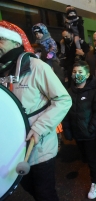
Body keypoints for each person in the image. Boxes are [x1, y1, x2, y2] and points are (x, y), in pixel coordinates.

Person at [0, 20, 71, 200]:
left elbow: (63, 99)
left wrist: (39, 128)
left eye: (0, 39)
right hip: (15, 149)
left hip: (39, 147)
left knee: (44, 194)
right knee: (27, 187)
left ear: (15, 42)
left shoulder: (36, 66)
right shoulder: (3, 70)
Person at [62, 61, 96, 199]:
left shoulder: (93, 93)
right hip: (77, 133)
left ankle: (95, 182)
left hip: (89, 134)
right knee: (84, 157)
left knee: (91, 159)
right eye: (74, 72)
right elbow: (65, 113)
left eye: (80, 72)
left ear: (87, 75)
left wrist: (92, 128)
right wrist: (67, 130)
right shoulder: (68, 92)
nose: (76, 75)